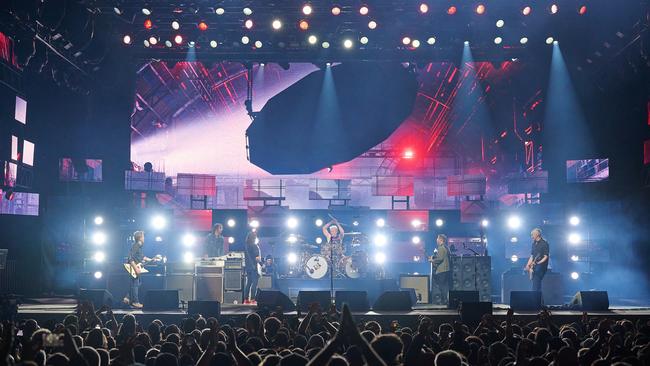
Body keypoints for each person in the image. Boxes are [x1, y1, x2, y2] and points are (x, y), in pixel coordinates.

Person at [123, 231, 154, 309]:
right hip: (134, 268)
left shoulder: (139, 247)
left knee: (137, 283)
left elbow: (143, 257)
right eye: (143, 237)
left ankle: (127, 298)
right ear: (140, 238)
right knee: (136, 284)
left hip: (135, 267)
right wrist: (136, 268)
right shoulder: (136, 245)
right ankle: (135, 302)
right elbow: (130, 257)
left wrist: (153, 259)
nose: (144, 238)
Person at [525, 228, 550, 292]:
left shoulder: (544, 243)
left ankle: (535, 299)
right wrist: (528, 265)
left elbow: (545, 256)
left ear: (537, 234)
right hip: (535, 266)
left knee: (536, 284)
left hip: (541, 267)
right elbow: (532, 256)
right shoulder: (534, 244)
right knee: (536, 285)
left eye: (532, 234)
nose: (531, 236)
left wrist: (538, 263)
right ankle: (539, 300)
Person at [430, 234, 451, 305]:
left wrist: (432, 260)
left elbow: (440, 258)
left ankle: (444, 301)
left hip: (442, 270)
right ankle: (444, 301)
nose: (436, 240)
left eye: (437, 238)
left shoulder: (441, 248)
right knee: (444, 286)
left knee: (442, 287)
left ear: (441, 240)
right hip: (445, 270)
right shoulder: (445, 248)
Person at [244, 230, 261, 305]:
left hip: (248, 267)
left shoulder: (246, 246)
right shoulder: (254, 246)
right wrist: (262, 264)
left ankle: (246, 299)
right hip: (254, 267)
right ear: (254, 238)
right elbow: (257, 258)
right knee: (255, 283)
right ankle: (253, 299)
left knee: (248, 283)